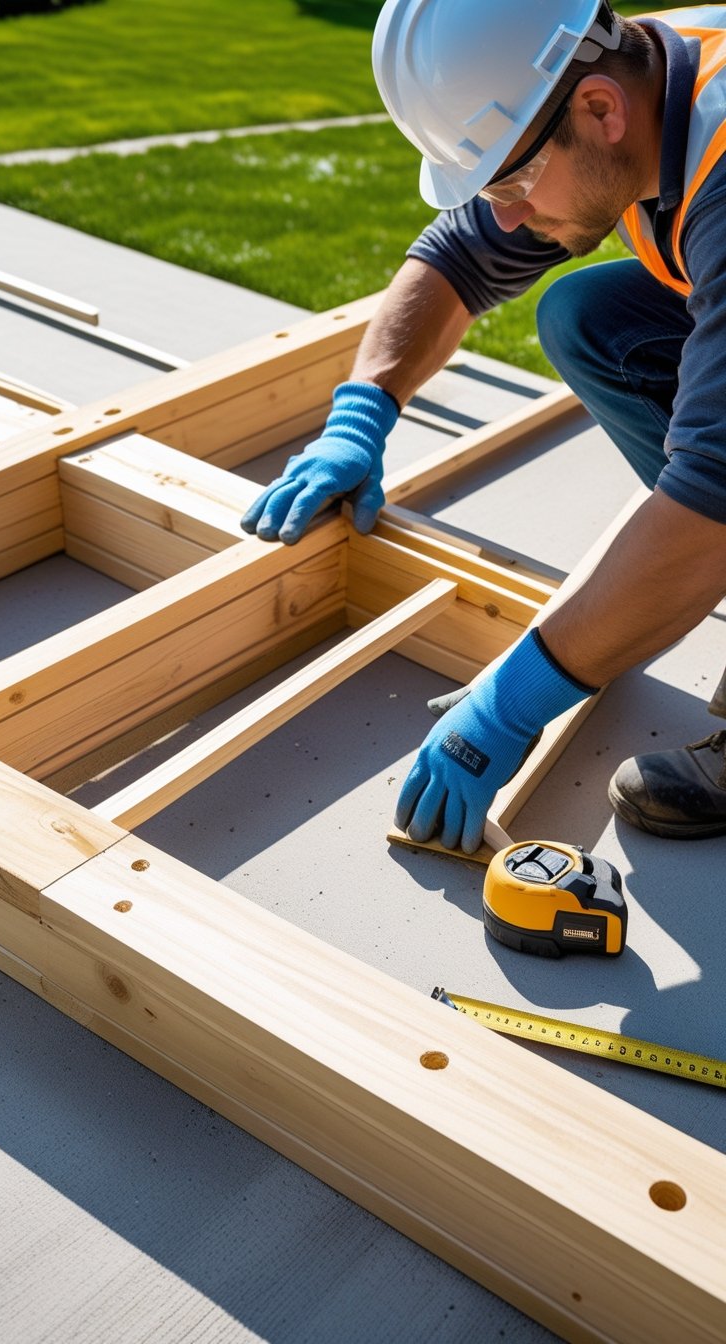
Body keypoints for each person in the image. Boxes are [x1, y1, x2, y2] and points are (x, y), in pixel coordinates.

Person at [241, 0, 726, 851]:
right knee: (589, 317)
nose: (502, 215)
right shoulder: (626, 72)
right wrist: (360, 417)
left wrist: (511, 704)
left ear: (603, 113)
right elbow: (458, 258)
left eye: (508, 183)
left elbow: (712, 495)